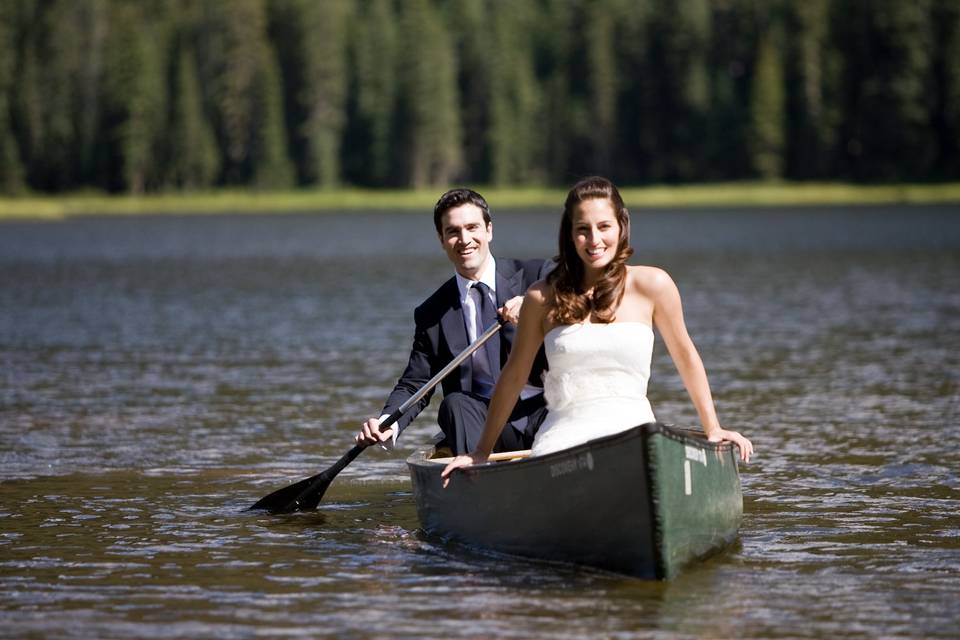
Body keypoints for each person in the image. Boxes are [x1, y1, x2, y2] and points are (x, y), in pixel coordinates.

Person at [441, 176, 753, 486]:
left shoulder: (654, 285)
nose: (594, 240)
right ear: (569, 234)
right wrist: (480, 452)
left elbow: (686, 357)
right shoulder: (541, 297)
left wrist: (712, 427)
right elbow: (513, 377)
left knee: (638, 460)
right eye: (583, 229)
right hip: (563, 438)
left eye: (604, 226)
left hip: (633, 431)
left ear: (621, 226)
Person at [356, 188, 551, 455]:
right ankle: (478, 482)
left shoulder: (536, 277)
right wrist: (387, 423)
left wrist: (534, 303)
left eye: (472, 228)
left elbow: (576, 292)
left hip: (545, 412)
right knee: (455, 403)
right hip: (483, 428)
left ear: (489, 230)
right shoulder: (432, 312)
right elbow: (416, 383)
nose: (465, 239)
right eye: (453, 232)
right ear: (442, 239)